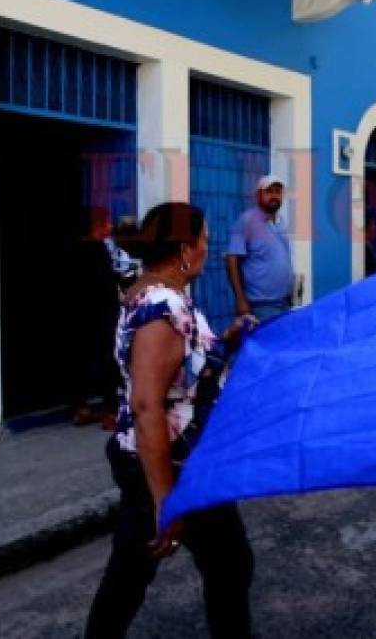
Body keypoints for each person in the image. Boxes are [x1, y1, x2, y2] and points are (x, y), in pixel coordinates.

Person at [85, 202, 258, 639]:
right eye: (203, 242)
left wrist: (230, 341)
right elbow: (148, 405)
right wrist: (165, 498)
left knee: (136, 572)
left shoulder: (163, 296)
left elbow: (186, 377)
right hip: (169, 465)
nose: (207, 251)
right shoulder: (161, 308)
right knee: (226, 563)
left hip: (177, 459)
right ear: (184, 249)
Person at [69, 206, 121, 428]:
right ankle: (111, 412)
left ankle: (81, 408)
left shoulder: (74, 250)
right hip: (101, 314)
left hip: (79, 313)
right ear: (96, 226)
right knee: (109, 361)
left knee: (80, 359)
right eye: (106, 222)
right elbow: (107, 286)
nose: (110, 226)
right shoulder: (98, 250)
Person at [226, 174, 294, 322]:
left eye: (278, 191)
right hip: (261, 307)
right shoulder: (246, 221)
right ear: (258, 195)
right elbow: (232, 259)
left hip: (284, 303)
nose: (274, 196)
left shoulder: (281, 222)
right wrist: (240, 299)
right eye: (269, 191)